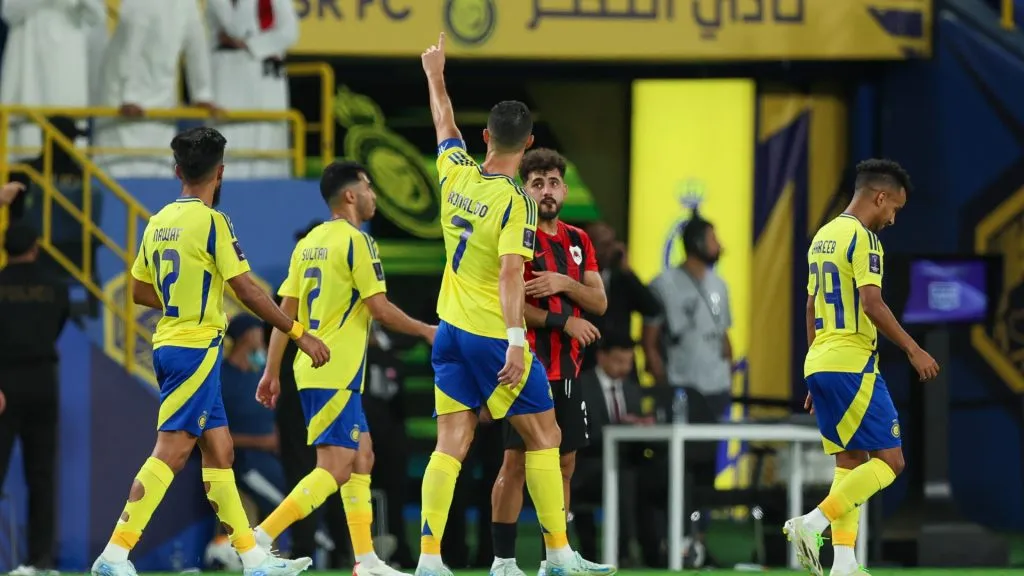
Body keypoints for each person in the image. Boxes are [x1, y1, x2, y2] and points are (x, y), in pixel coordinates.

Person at [90, 126, 329, 576]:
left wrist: (183, 295)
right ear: (220, 173)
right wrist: (299, 332)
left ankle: (254, 559)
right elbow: (248, 291)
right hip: (195, 348)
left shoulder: (158, 222)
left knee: (220, 452)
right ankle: (115, 554)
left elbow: (140, 290)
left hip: (176, 345)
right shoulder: (214, 222)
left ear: (177, 170)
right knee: (172, 453)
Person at [418, 33, 611, 576]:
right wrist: (516, 340)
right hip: (486, 332)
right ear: (527, 145)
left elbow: (443, 125)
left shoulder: (455, 174)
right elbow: (509, 273)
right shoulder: (515, 203)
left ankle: (429, 559)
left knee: (451, 442)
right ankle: (558, 555)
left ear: (486, 138)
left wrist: (436, 76)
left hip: (449, 327)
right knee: (546, 436)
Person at [253, 160, 436, 576]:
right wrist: (426, 330)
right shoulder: (358, 242)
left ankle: (366, 560)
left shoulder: (310, 242)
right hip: (333, 370)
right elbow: (380, 309)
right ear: (350, 195)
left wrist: (271, 370)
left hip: (316, 370)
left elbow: (286, 312)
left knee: (362, 457)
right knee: (333, 468)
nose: (374, 195)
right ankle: (257, 542)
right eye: (369, 187)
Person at [786, 159, 939, 576]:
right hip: (852, 362)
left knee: (850, 462)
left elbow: (810, 305)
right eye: (895, 209)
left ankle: (845, 563)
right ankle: (811, 523)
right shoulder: (864, 239)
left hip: (821, 362)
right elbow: (872, 303)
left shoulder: (823, 236)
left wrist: (815, 368)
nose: (892, 218)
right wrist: (912, 349)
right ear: (880, 196)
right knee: (891, 462)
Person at [489, 148, 609, 576]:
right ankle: (503, 560)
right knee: (515, 462)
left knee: (564, 464)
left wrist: (563, 283)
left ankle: (553, 559)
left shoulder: (579, 241)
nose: (546, 191)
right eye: (537, 183)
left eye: (553, 182)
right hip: (527, 367)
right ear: (525, 189)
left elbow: (599, 300)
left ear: (564, 188)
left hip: (569, 370)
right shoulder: (515, 235)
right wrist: (564, 322)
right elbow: (509, 304)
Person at [0, 222, 69, 576]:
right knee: (40, 475)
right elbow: (58, 324)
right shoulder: (55, 287)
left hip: (4, 384)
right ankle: (40, 561)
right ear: (36, 247)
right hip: (43, 381)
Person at [94, 0, 218, 178]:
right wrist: (129, 97)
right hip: (122, 95)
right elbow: (130, 46)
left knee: (157, 165)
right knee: (117, 163)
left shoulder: (187, 4)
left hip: (162, 97)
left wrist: (202, 94)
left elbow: (196, 42)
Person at [0, 0, 104, 158]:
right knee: (26, 139)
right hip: (29, 67)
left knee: (66, 130)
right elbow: (9, 12)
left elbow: (97, 16)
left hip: (67, 67)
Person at [207, 0, 297, 178]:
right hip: (226, 76)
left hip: (265, 81)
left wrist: (248, 44)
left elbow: (290, 32)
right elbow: (224, 31)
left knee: (266, 137)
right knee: (227, 137)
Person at [580, 222, 660, 373]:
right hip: (588, 364)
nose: (611, 250)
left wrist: (627, 271)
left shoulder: (622, 279)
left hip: (622, 363)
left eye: (613, 243)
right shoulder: (575, 277)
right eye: (604, 245)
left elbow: (652, 308)